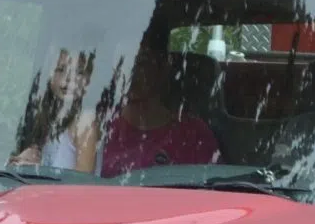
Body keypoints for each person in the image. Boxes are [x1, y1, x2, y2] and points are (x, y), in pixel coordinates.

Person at [14, 39, 220, 176]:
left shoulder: (194, 134)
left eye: (141, 62)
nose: (129, 71)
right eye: (121, 63)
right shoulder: (102, 124)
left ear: (163, 67)